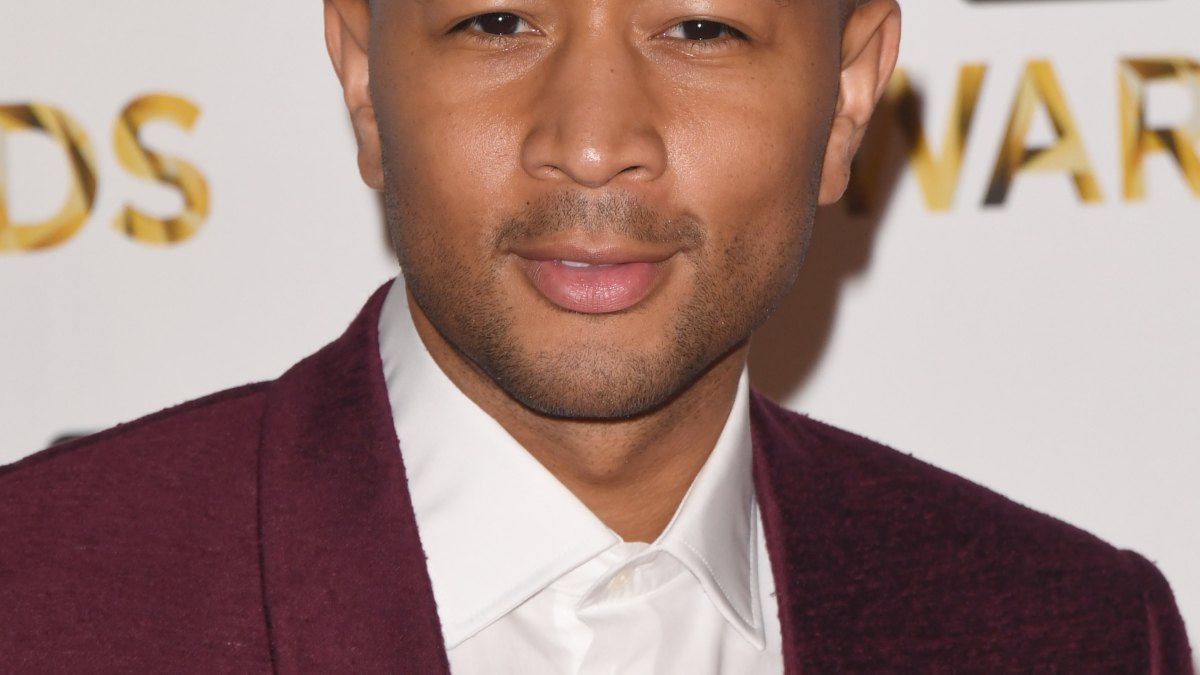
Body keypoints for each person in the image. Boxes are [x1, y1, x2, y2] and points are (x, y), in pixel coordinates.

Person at [0, 0, 1192, 672]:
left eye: (700, 29)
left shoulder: (1077, 637)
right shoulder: (34, 603)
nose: (590, 141)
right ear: (363, 77)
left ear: (847, 94)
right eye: (499, 21)